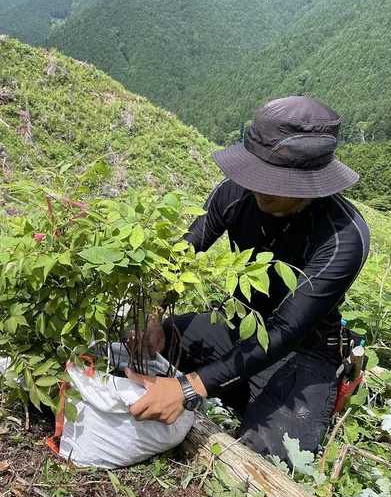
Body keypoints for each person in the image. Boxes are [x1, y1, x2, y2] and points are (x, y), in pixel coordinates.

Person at [126, 96, 370, 460]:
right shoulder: (236, 192)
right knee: (138, 352)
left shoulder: (342, 237)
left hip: (302, 351)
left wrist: (189, 387)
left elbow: (285, 331)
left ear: (308, 184)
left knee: (269, 455)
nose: (258, 188)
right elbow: (186, 251)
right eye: (256, 173)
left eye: (272, 180)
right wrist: (155, 314)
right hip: (236, 324)